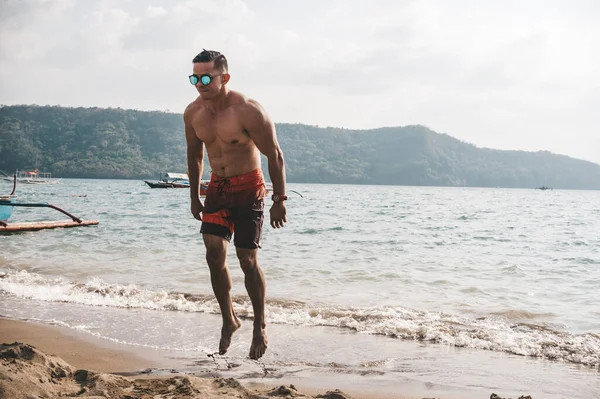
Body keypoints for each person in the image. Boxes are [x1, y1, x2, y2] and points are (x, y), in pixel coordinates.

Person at [183, 49, 287, 360]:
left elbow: (275, 155)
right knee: (214, 254)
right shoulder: (192, 113)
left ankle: (260, 326)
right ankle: (229, 318)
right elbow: (195, 156)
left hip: (249, 189)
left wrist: (279, 199)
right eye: (194, 77)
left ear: (224, 77)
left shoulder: (248, 110)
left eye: (205, 77)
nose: (199, 84)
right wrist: (193, 195)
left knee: (246, 261)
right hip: (217, 188)